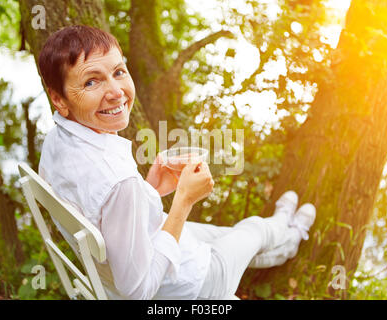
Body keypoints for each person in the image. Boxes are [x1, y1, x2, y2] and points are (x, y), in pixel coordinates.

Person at [38, 25, 316, 300]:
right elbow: (137, 292)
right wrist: (183, 199)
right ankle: (289, 228)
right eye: (91, 81)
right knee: (255, 228)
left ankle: (289, 238)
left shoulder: (56, 142)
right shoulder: (119, 182)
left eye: (119, 72)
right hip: (193, 284)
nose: (116, 92)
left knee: (232, 236)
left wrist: (149, 190)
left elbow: (105, 211)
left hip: (146, 245)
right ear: (59, 99)